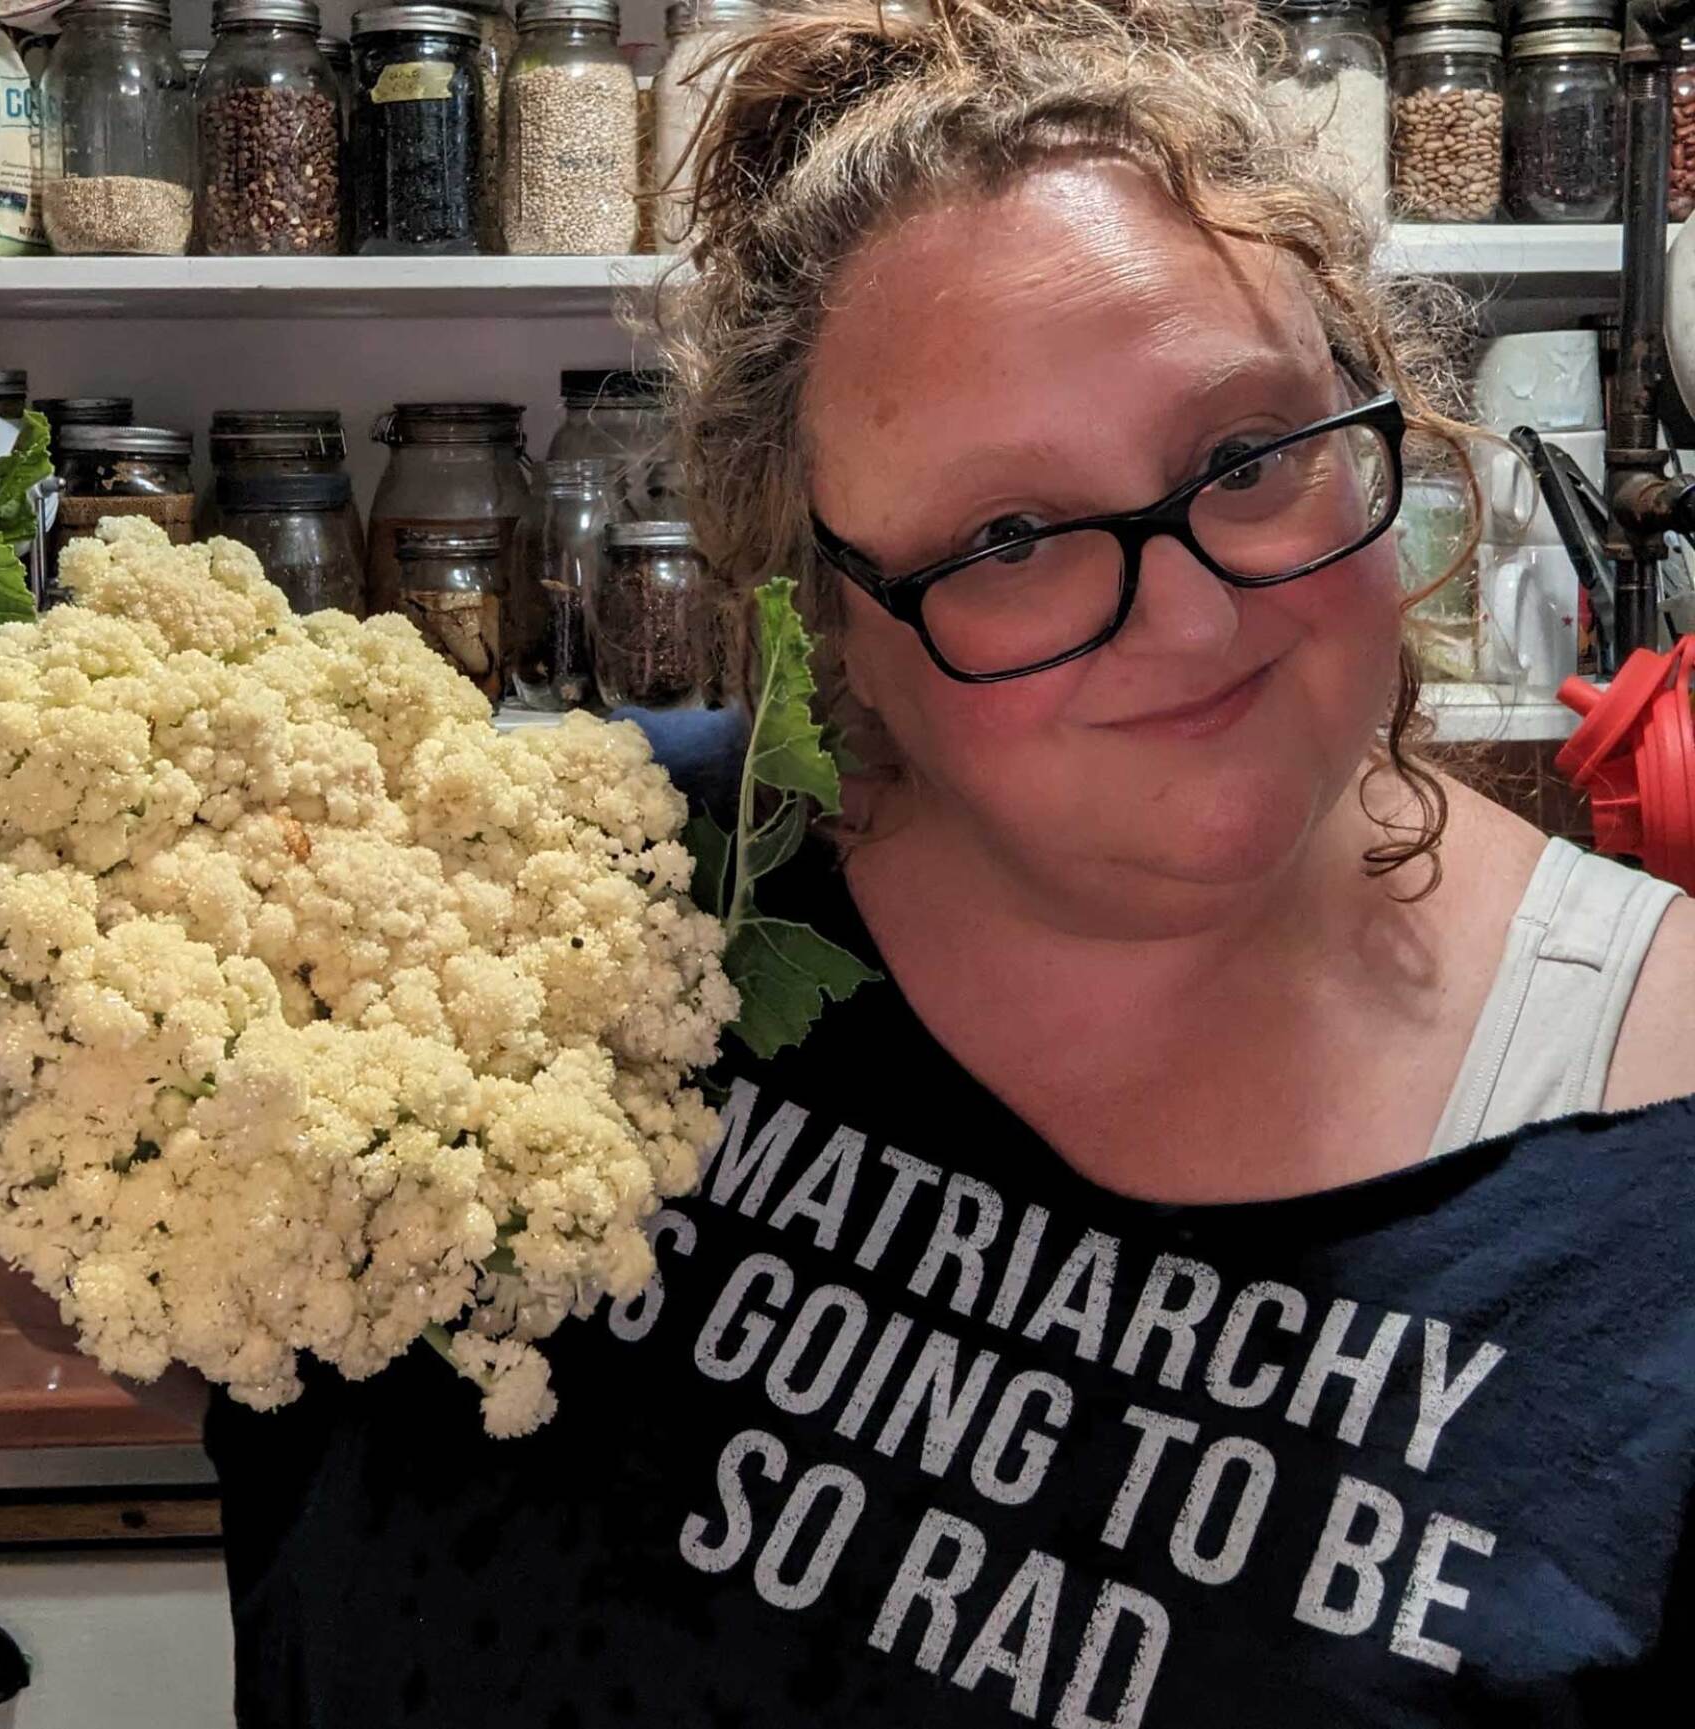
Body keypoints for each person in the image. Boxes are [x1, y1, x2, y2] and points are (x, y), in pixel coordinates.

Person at [191, 2, 1695, 1722]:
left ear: (1385, 414)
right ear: (826, 612)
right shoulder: (558, 911)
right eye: (1006, 538)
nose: (1193, 615)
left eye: (1249, 457)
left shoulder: (1653, 1146)